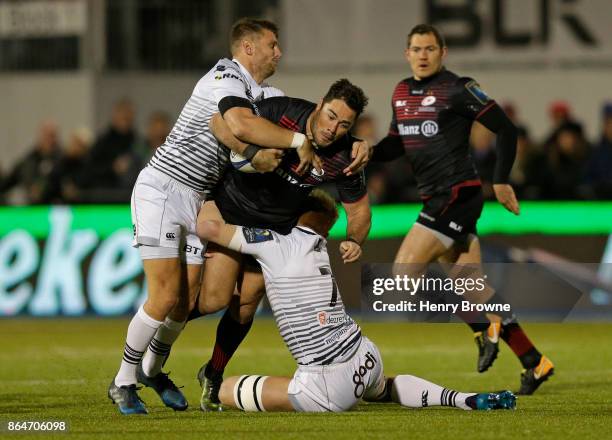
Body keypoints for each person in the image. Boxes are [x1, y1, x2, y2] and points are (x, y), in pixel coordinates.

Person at [107, 17, 313, 416]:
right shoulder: (224, 76)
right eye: (272, 44)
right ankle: (122, 381)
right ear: (248, 47)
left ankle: (151, 368)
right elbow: (237, 125)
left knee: (187, 304)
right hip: (163, 188)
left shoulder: (269, 93)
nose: (279, 52)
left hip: (199, 198)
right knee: (165, 296)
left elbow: (262, 143)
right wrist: (293, 142)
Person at [149, 79, 372, 412]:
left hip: (272, 229)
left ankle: (213, 373)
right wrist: (252, 152)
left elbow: (360, 210)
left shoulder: (346, 155)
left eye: (344, 125)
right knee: (213, 300)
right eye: (330, 116)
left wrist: (354, 239)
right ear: (320, 102)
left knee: (246, 304)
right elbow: (218, 122)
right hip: (228, 210)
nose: (333, 128)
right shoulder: (281, 112)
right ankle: (149, 340)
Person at [196, 189, 516, 413]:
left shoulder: (277, 242)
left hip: (325, 387)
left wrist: (210, 192)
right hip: (364, 354)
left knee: (226, 390)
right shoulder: (320, 245)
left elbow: (209, 227)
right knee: (384, 389)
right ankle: (463, 399)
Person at [371, 24, 553, 395]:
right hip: (438, 198)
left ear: (443, 52)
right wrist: (364, 155)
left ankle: (481, 327)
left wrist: (501, 180)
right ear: (406, 54)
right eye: (416, 49)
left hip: (456, 195)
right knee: (472, 286)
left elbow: (505, 129)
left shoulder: (456, 87)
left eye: (430, 49)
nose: (423, 55)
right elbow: (395, 144)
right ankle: (535, 362)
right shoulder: (401, 92)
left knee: (404, 273)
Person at [0, 120, 62, 204]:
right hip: (32, 208)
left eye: (52, 135)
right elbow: (8, 182)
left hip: (56, 208)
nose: (49, 139)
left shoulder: (64, 160)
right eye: (46, 135)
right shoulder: (29, 160)